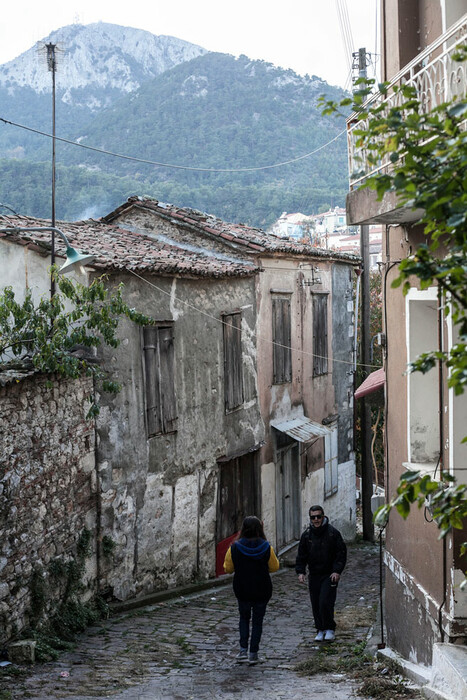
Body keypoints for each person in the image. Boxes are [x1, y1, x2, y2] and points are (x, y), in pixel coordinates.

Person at [223, 516, 279, 664]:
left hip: (243, 588)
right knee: (257, 622)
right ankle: (253, 654)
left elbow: (228, 569)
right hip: (262, 588)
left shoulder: (234, 547)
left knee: (244, 618)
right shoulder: (266, 547)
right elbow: (275, 567)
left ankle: (242, 651)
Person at [295, 504, 347, 642]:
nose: (316, 520)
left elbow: (340, 553)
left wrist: (337, 570)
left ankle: (330, 628)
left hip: (329, 574)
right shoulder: (307, 535)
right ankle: (320, 629)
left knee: (325, 601)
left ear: (323, 516)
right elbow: (301, 555)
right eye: (313, 517)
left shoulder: (332, 533)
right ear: (310, 519)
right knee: (316, 603)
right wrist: (301, 572)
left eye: (318, 516)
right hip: (314, 574)